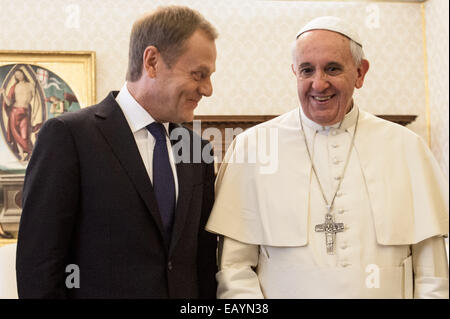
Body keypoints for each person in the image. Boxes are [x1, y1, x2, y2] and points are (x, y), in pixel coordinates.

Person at [206, 16, 449, 299]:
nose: (318, 84)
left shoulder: (407, 148)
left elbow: (433, 274)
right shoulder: (252, 147)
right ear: (294, 72)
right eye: (307, 71)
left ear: (360, 73)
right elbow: (234, 271)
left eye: (332, 69)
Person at [16, 5, 218, 298]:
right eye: (199, 74)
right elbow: (39, 269)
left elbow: (202, 262)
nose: (208, 89)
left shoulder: (198, 150)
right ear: (152, 62)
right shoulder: (68, 137)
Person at [0, 69, 34, 161]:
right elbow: (8, 103)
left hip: (25, 112)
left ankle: (31, 153)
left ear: (23, 73)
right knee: (16, 135)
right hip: (14, 112)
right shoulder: (14, 87)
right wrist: (3, 93)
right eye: (16, 75)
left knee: (24, 135)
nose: (18, 76)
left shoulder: (30, 85)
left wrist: (33, 114)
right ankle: (22, 155)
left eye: (20, 74)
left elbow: (36, 102)